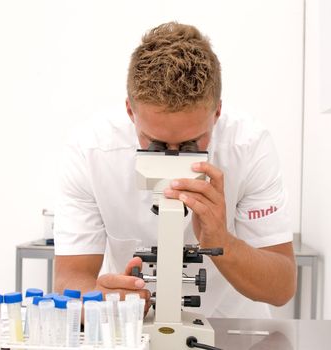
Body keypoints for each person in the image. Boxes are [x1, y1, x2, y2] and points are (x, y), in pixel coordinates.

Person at [53, 21, 296, 318]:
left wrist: (221, 241)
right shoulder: (91, 151)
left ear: (217, 112)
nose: (172, 158)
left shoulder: (248, 146)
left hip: (232, 326)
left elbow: (282, 287)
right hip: (131, 325)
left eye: (190, 143)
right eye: (155, 143)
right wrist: (106, 299)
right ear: (131, 110)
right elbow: (68, 279)